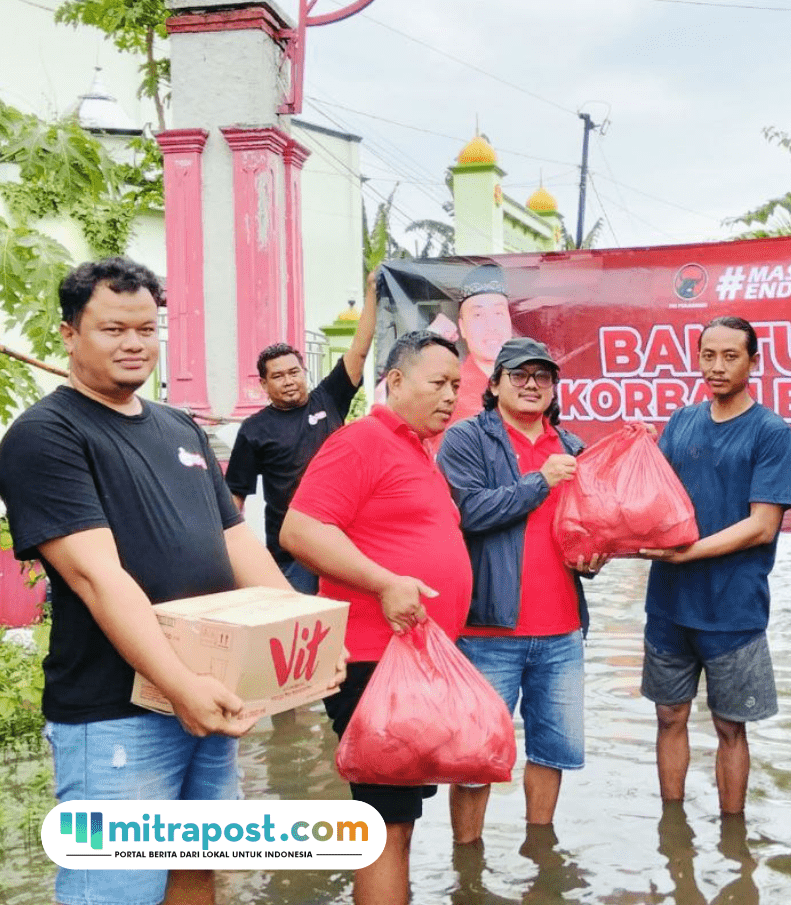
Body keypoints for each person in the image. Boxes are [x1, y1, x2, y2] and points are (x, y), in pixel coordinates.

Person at [0, 257, 295, 905]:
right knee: (117, 888)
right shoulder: (46, 436)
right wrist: (178, 682)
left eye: (146, 327)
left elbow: (237, 543)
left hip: (210, 693)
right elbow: (99, 577)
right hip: (116, 712)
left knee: (196, 870)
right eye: (112, 328)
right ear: (69, 333)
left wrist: (302, 635)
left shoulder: (178, 425)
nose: (134, 342)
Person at [279, 330, 473, 905]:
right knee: (383, 826)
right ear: (393, 382)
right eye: (437, 383)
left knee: (397, 822)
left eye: (456, 386)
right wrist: (384, 582)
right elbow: (301, 530)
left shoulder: (418, 449)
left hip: (408, 662)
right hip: (372, 661)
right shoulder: (360, 441)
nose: (449, 396)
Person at [436, 337, 605, 845]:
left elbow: (585, 528)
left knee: (552, 752)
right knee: (473, 759)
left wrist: (594, 559)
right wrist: (539, 482)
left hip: (562, 633)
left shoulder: (574, 448)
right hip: (487, 630)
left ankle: (540, 855)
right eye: (519, 374)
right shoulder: (466, 439)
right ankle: (467, 867)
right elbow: (465, 513)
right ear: (493, 385)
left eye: (543, 376)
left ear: (554, 388)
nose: (532, 384)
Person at [638, 315, 791, 815]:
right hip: (668, 605)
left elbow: (762, 526)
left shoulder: (771, 432)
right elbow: (651, 500)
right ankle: (673, 827)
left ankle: (733, 833)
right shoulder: (681, 422)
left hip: (734, 610)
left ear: (754, 362)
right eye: (709, 355)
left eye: (731, 357)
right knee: (669, 717)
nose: (717, 367)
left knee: (730, 726)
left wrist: (686, 552)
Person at [225, 269, 378, 593]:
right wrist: (233, 558)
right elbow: (234, 497)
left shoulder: (329, 397)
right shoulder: (254, 431)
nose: (289, 380)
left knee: (350, 627)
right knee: (301, 637)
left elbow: (358, 351)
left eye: (294, 371)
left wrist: (372, 293)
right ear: (264, 385)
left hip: (347, 541)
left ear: (304, 372)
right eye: (278, 376)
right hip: (293, 554)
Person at [449, 263, 514, 426]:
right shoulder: (451, 394)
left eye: (498, 313)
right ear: (462, 328)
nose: (491, 325)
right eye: (478, 315)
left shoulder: (528, 385)